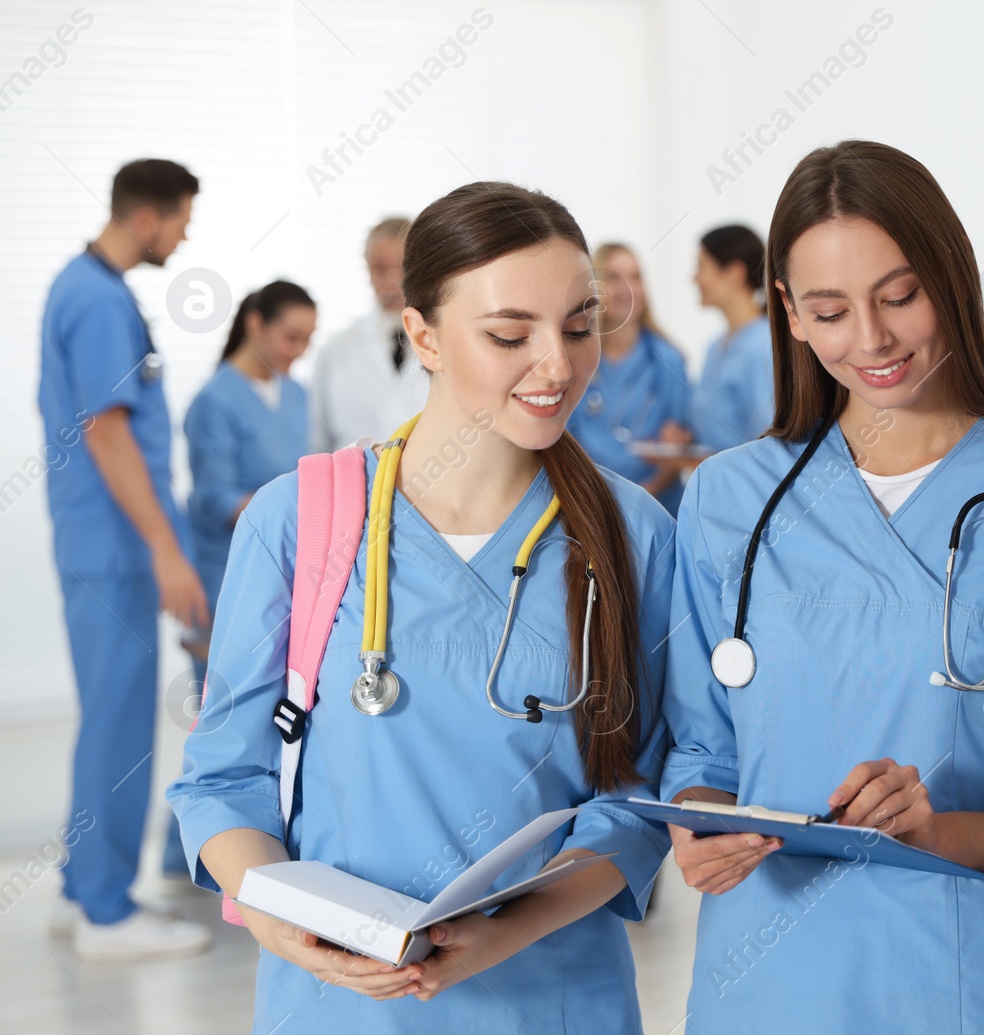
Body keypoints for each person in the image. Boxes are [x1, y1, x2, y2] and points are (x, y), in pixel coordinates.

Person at [662, 141, 984, 1033]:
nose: (874, 340)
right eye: (830, 310)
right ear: (790, 315)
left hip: (970, 986)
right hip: (764, 983)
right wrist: (696, 826)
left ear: (953, 278)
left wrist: (940, 833)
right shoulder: (728, 499)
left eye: (899, 296)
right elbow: (699, 755)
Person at [169, 181, 675, 1033]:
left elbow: (640, 798)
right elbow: (224, 778)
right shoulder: (298, 519)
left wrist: (500, 932)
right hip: (338, 1005)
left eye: (582, 326)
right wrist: (276, 920)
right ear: (423, 335)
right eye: (510, 334)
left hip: (551, 998)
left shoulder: (634, 535)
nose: (557, 365)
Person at [38, 157, 213, 960]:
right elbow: (107, 432)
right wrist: (166, 549)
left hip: (99, 542)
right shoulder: (98, 300)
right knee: (119, 724)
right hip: (115, 547)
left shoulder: (89, 290)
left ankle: (86, 892)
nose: (184, 236)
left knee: (108, 719)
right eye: (182, 220)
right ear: (148, 217)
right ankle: (108, 912)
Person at [183, 280, 316, 655]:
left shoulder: (298, 394)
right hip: (227, 570)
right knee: (225, 692)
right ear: (255, 324)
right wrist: (296, 510)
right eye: (291, 337)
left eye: (308, 339)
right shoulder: (216, 401)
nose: (300, 351)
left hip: (286, 566)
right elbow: (215, 498)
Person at [566, 242, 694, 514]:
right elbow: (567, 442)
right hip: (592, 505)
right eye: (614, 277)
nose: (627, 288)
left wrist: (645, 496)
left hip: (659, 507)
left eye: (635, 277)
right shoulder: (575, 361)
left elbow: (679, 446)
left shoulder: (669, 360)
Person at [309, 217, 428, 450]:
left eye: (402, 268)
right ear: (367, 269)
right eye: (381, 268)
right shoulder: (334, 351)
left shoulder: (443, 342)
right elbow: (317, 446)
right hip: (353, 484)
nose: (392, 281)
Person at [684, 224, 774, 453]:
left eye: (701, 266)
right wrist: (687, 437)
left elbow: (769, 437)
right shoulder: (715, 347)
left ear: (734, 273)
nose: (694, 278)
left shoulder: (762, 345)